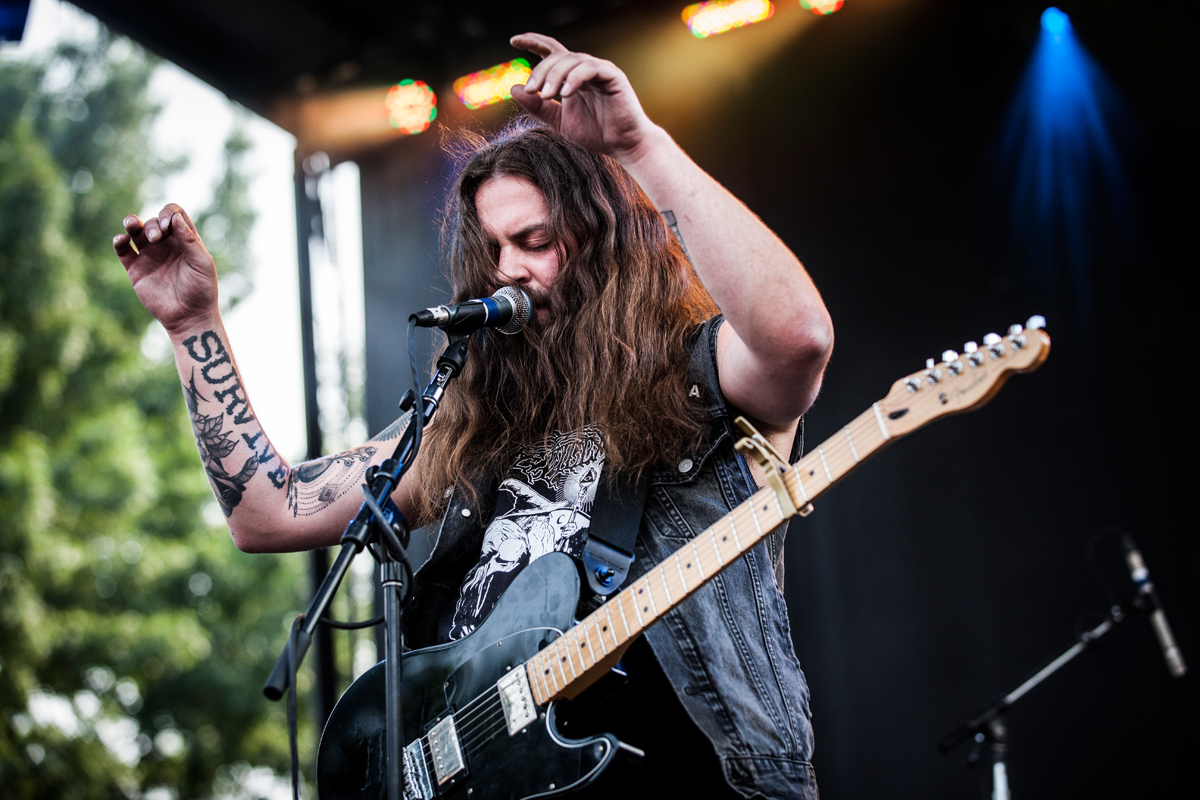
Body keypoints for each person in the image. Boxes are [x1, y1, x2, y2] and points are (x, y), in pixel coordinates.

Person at [115, 33, 832, 800]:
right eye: (491, 249)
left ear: (609, 245)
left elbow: (797, 340)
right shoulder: (475, 424)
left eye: (535, 241)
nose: (508, 271)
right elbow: (267, 512)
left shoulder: (698, 380)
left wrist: (638, 145)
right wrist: (193, 325)